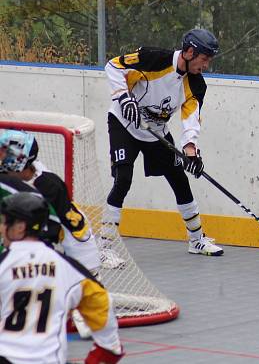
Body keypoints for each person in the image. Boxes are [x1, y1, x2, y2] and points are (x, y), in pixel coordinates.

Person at [102, 28, 223, 257]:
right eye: (204, 59)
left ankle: (196, 240)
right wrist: (124, 97)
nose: (206, 65)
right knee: (123, 179)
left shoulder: (196, 85)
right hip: (124, 123)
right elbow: (113, 65)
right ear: (189, 52)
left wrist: (190, 150)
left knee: (179, 178)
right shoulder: (153, 58)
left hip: (155, 132)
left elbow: (191, 118)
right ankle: (104, 246)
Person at [0, 192, 124, 364]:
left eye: (5, 222)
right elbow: (104, 305)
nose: (1, 228)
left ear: (20, 226)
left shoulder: (3, 264)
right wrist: (106, 348)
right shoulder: (69, 268)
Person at [0, 129, 101, 274]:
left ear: (18, 158)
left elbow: (43, 236)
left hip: (80, 258)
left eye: (3, 153)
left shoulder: (48, 188)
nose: (0, 157)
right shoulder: (28, 171)